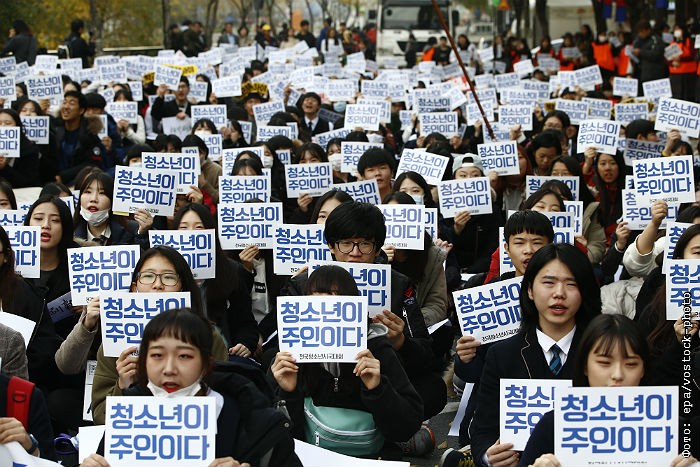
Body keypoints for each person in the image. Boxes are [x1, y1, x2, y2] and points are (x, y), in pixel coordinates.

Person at [81, 308, 302, 466]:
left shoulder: (254, 421)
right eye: (157, 355)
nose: (169, 369)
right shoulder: (131, 414)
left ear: (207, 363)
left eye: (184, 356)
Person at [469, 243, 601, 467]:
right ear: (530, 290)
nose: (559, 293)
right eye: (548, 282)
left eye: (571, 284)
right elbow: (483, 431)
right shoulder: (502, 355)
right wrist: (488, 457)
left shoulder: (603, 353)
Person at [270, 266, 424, 458]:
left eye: (336, 300)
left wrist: (377, 389)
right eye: (316, 302)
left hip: (370, 456)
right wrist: (288, 392)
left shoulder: (375, 348)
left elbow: (407, 427)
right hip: (309, 456)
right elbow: (274, 436)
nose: (326, 311)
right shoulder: (290, 354)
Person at [519, 314, 698, 467]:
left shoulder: (674, 429)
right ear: (585, 366)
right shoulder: (553, 425)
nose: (617, 375)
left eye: (631, 364)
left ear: (643, 369)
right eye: (604, 363)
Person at [90, 246, 229, 424]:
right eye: (148, 276)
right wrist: (123, 386)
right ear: (134, 287)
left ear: (183, 288)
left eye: (168, 277)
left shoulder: (208, 336)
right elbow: (100, 416)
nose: (157, 285)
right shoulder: (115, 340)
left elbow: (225, 402)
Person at [48, 90, 103, 186]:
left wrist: (63, 176)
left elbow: (91, 164)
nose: (66, 107)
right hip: (52, 182)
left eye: (71, 103)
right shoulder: (54, 130)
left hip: (77, 183)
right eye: (64, 102)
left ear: (81, 110)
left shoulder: (90, 135)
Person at [0, 108, 41, 188]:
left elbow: (30, 182)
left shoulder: (29, 149)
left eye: (8, 123)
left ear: (17, 126)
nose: (3, 126)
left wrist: (5, 167)